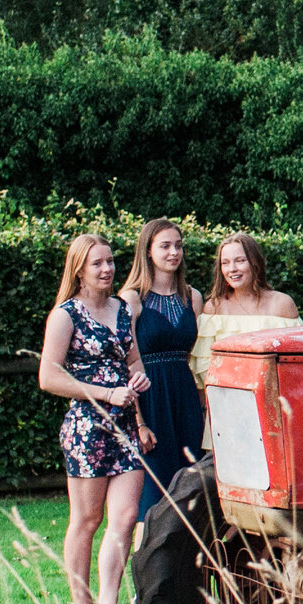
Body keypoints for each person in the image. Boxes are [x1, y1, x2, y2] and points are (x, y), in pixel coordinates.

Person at [38, 233, 152, 604]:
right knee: (87, 520)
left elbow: (133, 357)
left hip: (126, 427)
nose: (107, 269)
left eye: (110, 261)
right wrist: (106, 393)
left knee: (123, 518)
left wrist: (139, 379)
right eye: (97, 264)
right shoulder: (65, 315)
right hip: (87, 429)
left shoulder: (123, 310)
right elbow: (48, 376)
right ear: (79, 270)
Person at [121, 218, 208, 518]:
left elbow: (198, 356)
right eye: (165, 246)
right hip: (150, 397)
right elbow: (126, 362)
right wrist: (139, 421)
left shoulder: (192, 297)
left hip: (185, 397)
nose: (174, 252)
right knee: (153, 492)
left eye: (179, 246)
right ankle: (144, 562)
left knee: (192, 485)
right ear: (147, 251)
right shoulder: (132, 298)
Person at [192, 231, 302, 383]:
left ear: (255, 263)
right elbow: (204, 367)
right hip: (226, 397)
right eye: (225, 263)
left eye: (240, 260)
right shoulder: (214, 308)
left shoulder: (282, 304)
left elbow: (297, 364)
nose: (232, 269)